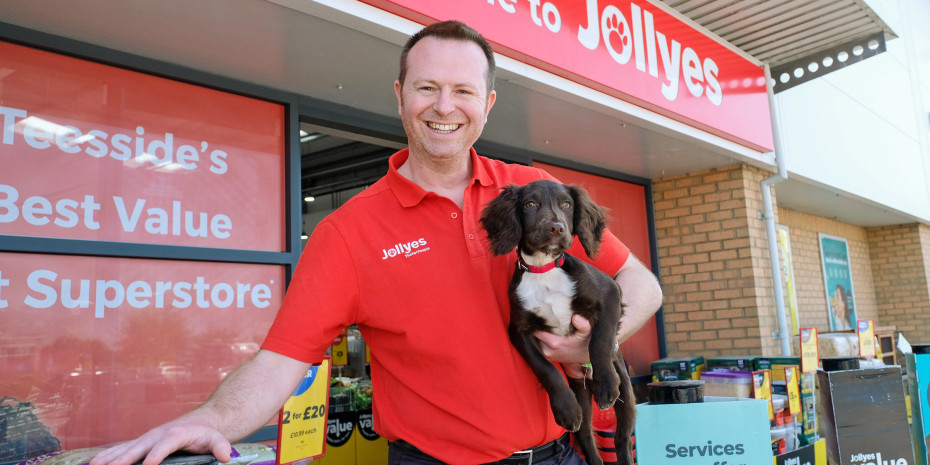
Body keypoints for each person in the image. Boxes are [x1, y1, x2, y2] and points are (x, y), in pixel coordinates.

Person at [90, 20, 662, 465]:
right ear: (400, 94)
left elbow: (641, 285)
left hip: (557, 453)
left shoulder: (534, 193)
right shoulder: (349, 232)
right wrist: (209, 420)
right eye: (427, 88)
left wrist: (590, 345)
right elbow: (278, 364)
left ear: (486, 104)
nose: (444, 107)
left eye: (463, 90)